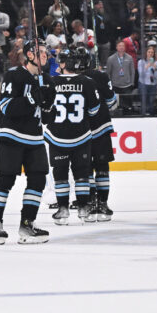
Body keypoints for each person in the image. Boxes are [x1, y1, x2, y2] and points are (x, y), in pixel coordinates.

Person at [0, 40, 51, 245]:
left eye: (46, 52)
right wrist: (33, 98)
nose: (45, 55)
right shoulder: (14, 75)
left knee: (38, 180)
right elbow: (7, 107)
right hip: (11, 134)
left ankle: (27, 224)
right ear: (30, 55)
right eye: (41, 52)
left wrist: (48, 102)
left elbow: (47, 117)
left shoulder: (45, 80)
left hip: (34, 137)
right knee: (5, 181)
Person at [43, 47, 101, 226]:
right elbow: (94, 110)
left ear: (62, 63)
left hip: (57, 137)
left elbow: (45, 111)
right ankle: (83, 208)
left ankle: (63, 209)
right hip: (81, 136)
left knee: (60, 175)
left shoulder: (51, 82)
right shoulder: (88, 82)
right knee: (82, 174)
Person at [80, 49, 117, 219]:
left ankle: (90, 202)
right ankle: (103, 204)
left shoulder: (75, 79)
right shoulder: (101, 76)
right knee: (102, 166)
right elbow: (112, 102)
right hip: (101, 126)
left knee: (86, 168)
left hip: (81, 130)